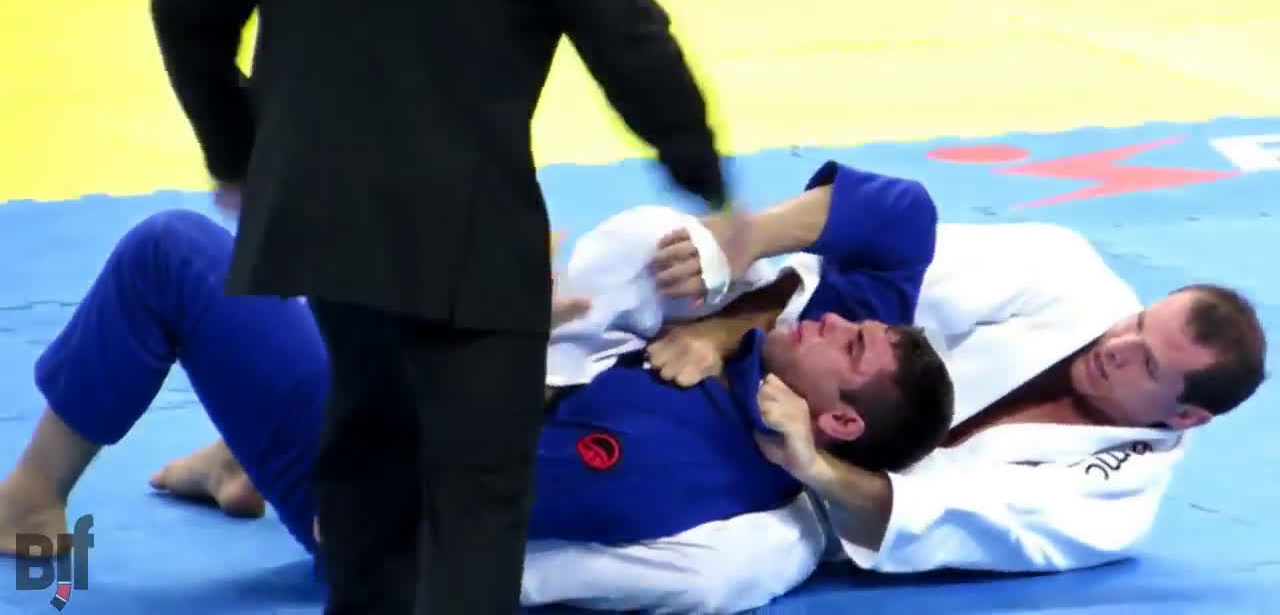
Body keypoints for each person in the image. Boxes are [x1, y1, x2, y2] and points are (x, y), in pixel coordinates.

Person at [148, 0, 747, 612]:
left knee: (370, 438)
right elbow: (621, 32)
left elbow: (185, 8)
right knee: (475, 496)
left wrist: (241, 152)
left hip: (319, 201)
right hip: (465, 222)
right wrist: (701, 168)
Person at [0, 201, 953, 606]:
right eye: (858, 321)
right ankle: (236, 460)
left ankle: (31, 504)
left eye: (853, 344)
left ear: (838, 422)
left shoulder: (683, 463)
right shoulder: (783, 356)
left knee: (173, 253)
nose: (836, 318)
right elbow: (905, 214)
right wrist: (746, 240)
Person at [516, 200, 1267, 610]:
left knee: (722, 576)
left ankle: (509, 576)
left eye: (1147, 362)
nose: (1118, 343)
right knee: (660, 243)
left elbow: (933, 521)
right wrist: (719, 333)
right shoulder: (1061, 269)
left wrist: (814, 466)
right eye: (1140, 322)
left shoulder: (1112, 505)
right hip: (772, 349)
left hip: (810, 495)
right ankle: (528, 351)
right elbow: (861, 277)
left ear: (1185, 416)